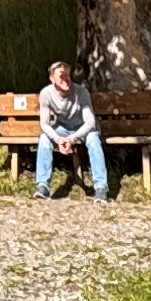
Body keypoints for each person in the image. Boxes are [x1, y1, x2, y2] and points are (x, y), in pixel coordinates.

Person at [33, 60, 111, 201]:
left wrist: (71, 139)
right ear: (52, 79)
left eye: (67, 76)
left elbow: (90, 122)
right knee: (44, 139)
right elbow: (44, 124)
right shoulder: (46, 94)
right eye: (61, 76)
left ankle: (101, 187)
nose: (65, 80)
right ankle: (42, 186)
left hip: (84, 128)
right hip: (63, 128)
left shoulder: (81, 92)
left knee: (94, 140)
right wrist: (58, 139)